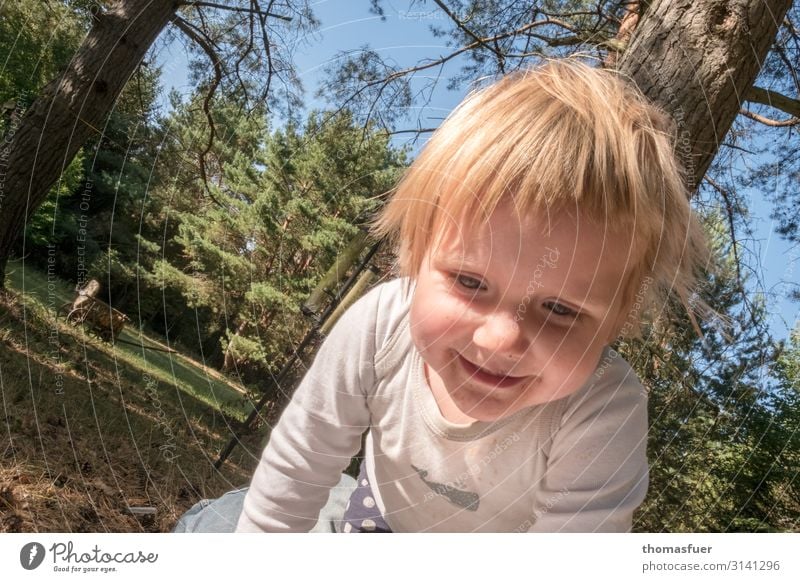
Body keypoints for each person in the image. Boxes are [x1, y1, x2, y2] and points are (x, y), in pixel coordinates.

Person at [194, 59, 710, 533]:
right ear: (415, 256)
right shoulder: (380, 325)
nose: (499, 337)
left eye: (559, 309)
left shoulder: (603, 407)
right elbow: (294, 474)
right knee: (212, 527)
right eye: (469, 282)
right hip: (379, 522)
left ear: (619, 320)